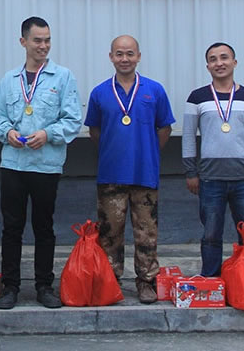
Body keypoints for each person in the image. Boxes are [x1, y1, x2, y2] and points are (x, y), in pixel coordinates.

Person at [0, 16, 81, 309]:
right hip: (13, 164)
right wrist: (7, 132)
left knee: (44, 227)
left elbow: (73, 119)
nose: (43, 46)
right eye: (37, 40)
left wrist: (48, 134)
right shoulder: (9, 80)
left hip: (45, 165)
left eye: (47, 40)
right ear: (23, 42)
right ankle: (11, 286)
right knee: (11, 227)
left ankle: (44, 285)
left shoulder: (63, 77)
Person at [182, 42, 244, 304]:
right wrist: (191, 171)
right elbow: (189, 137)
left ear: (234, 62)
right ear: (207, 66)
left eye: (224, 57)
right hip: (210, 179)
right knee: (211, 234)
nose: (219, 63)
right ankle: (212, 282)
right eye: (213, 59)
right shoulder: (197, 97)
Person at [85, 35, 174, 304]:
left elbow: (165, 128)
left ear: (138, 56)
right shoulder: (100, 92)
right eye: (119, 54)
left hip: (144, 173)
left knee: (147, 232)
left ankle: (146, 281)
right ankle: (110, 280)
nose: (125, 59)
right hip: (111, 174)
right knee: (109, 232)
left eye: (130, 54)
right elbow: (95, 132)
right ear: (111, 56)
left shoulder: (154, 90)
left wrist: (148, 152)